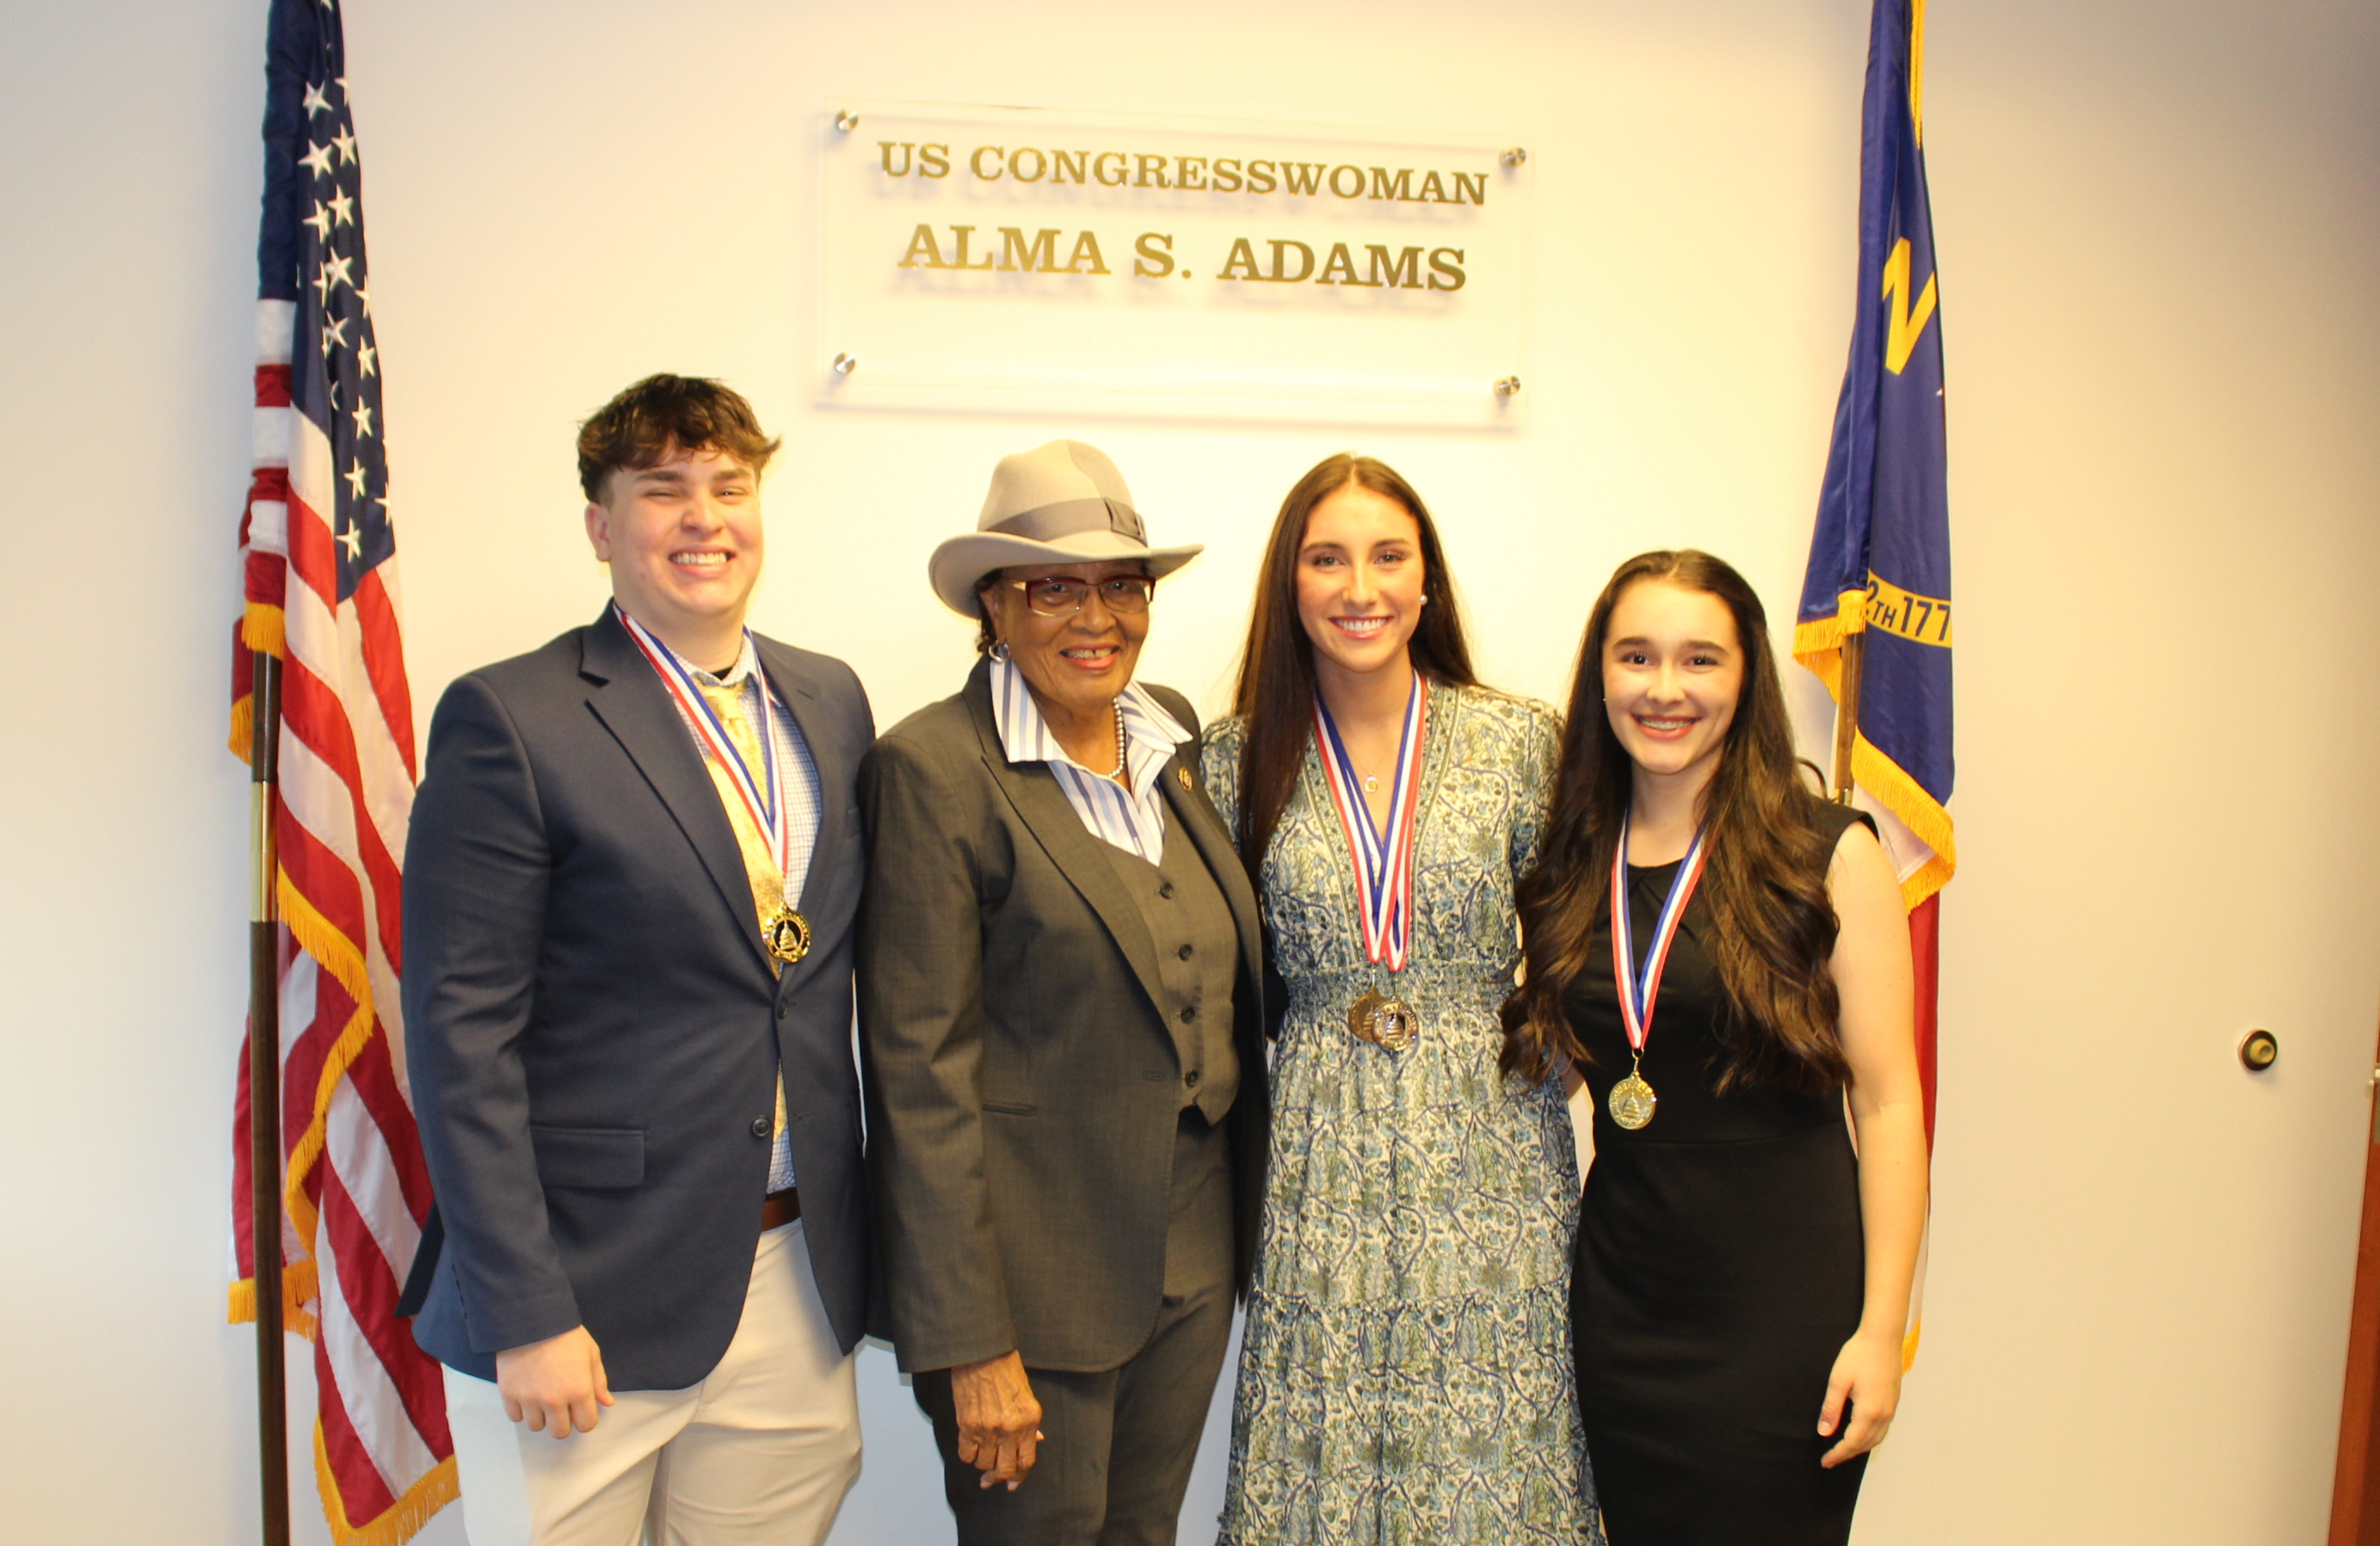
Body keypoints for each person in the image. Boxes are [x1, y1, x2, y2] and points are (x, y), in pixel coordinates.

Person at [398, 374, 875, 1546]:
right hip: (583, 1289)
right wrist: (524, 1308)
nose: (703, 517)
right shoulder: (513, 717)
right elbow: (462, 1039)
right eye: (662, 491)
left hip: (790, 1269)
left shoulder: (830, 700)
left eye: (729, 486)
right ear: (601, 527)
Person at [858, 439, 1271, 1546]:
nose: (1096, 616)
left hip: (1190, 1256)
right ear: (994, 602)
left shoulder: (1171, 735)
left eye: (1121, 585)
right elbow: (918, 1075)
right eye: (1054, 587)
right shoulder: (934, 769)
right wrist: (969, 1340)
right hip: (1028, 1292)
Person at [1203, 454, 1601, 1544]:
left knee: (1499, 1435)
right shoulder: (1231, 760)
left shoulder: (1516, 740)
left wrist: (1559, 1041)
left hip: (1491, 1142)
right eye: (1326, 559)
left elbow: (1577, 931)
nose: (1360, 587)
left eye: (1388, 556)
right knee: (1326, 1437)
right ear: (1291, 583)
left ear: (1427, 582)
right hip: (1319, 1142)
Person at [1501, 549, 1927, 1546]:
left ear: (1747, 680)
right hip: (1625, 1303)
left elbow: (1890, 1105)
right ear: (1599, 674)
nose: (1663, 689)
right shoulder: (1569, 865)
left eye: (1700, 660)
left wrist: (1881, 1332)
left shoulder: (1827, 853)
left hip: (1788, 1310)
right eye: (1636, 656)